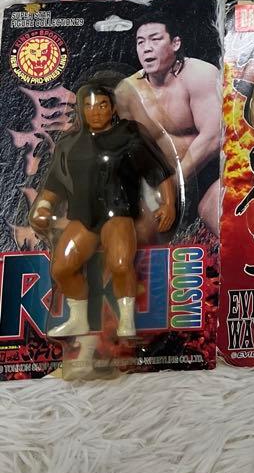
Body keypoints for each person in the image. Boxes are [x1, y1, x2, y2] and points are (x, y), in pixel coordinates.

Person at [28, 84, 176, 338]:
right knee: (61, 268)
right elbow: (55, 184)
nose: (95, 111)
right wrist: (42, 207)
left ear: (113, 108)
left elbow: (159, 170)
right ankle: (78, 320)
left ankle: (126, 321)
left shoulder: (129, 136)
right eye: (88, 106)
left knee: (120, 264)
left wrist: (169, 203)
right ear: (81, 110)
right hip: (83, 216)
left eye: (102, 105)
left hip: (117, 213)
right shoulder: (70, 144)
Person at [113, 10, 222, 233]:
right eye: (140, 42)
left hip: (211, 173)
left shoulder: (200, 74)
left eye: (155, 39)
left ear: (175, 43)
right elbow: (127, 149)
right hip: (159, 184)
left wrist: (173, 183)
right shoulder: (127, 91)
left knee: (211, 210)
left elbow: (214, 137)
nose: (146, 48)